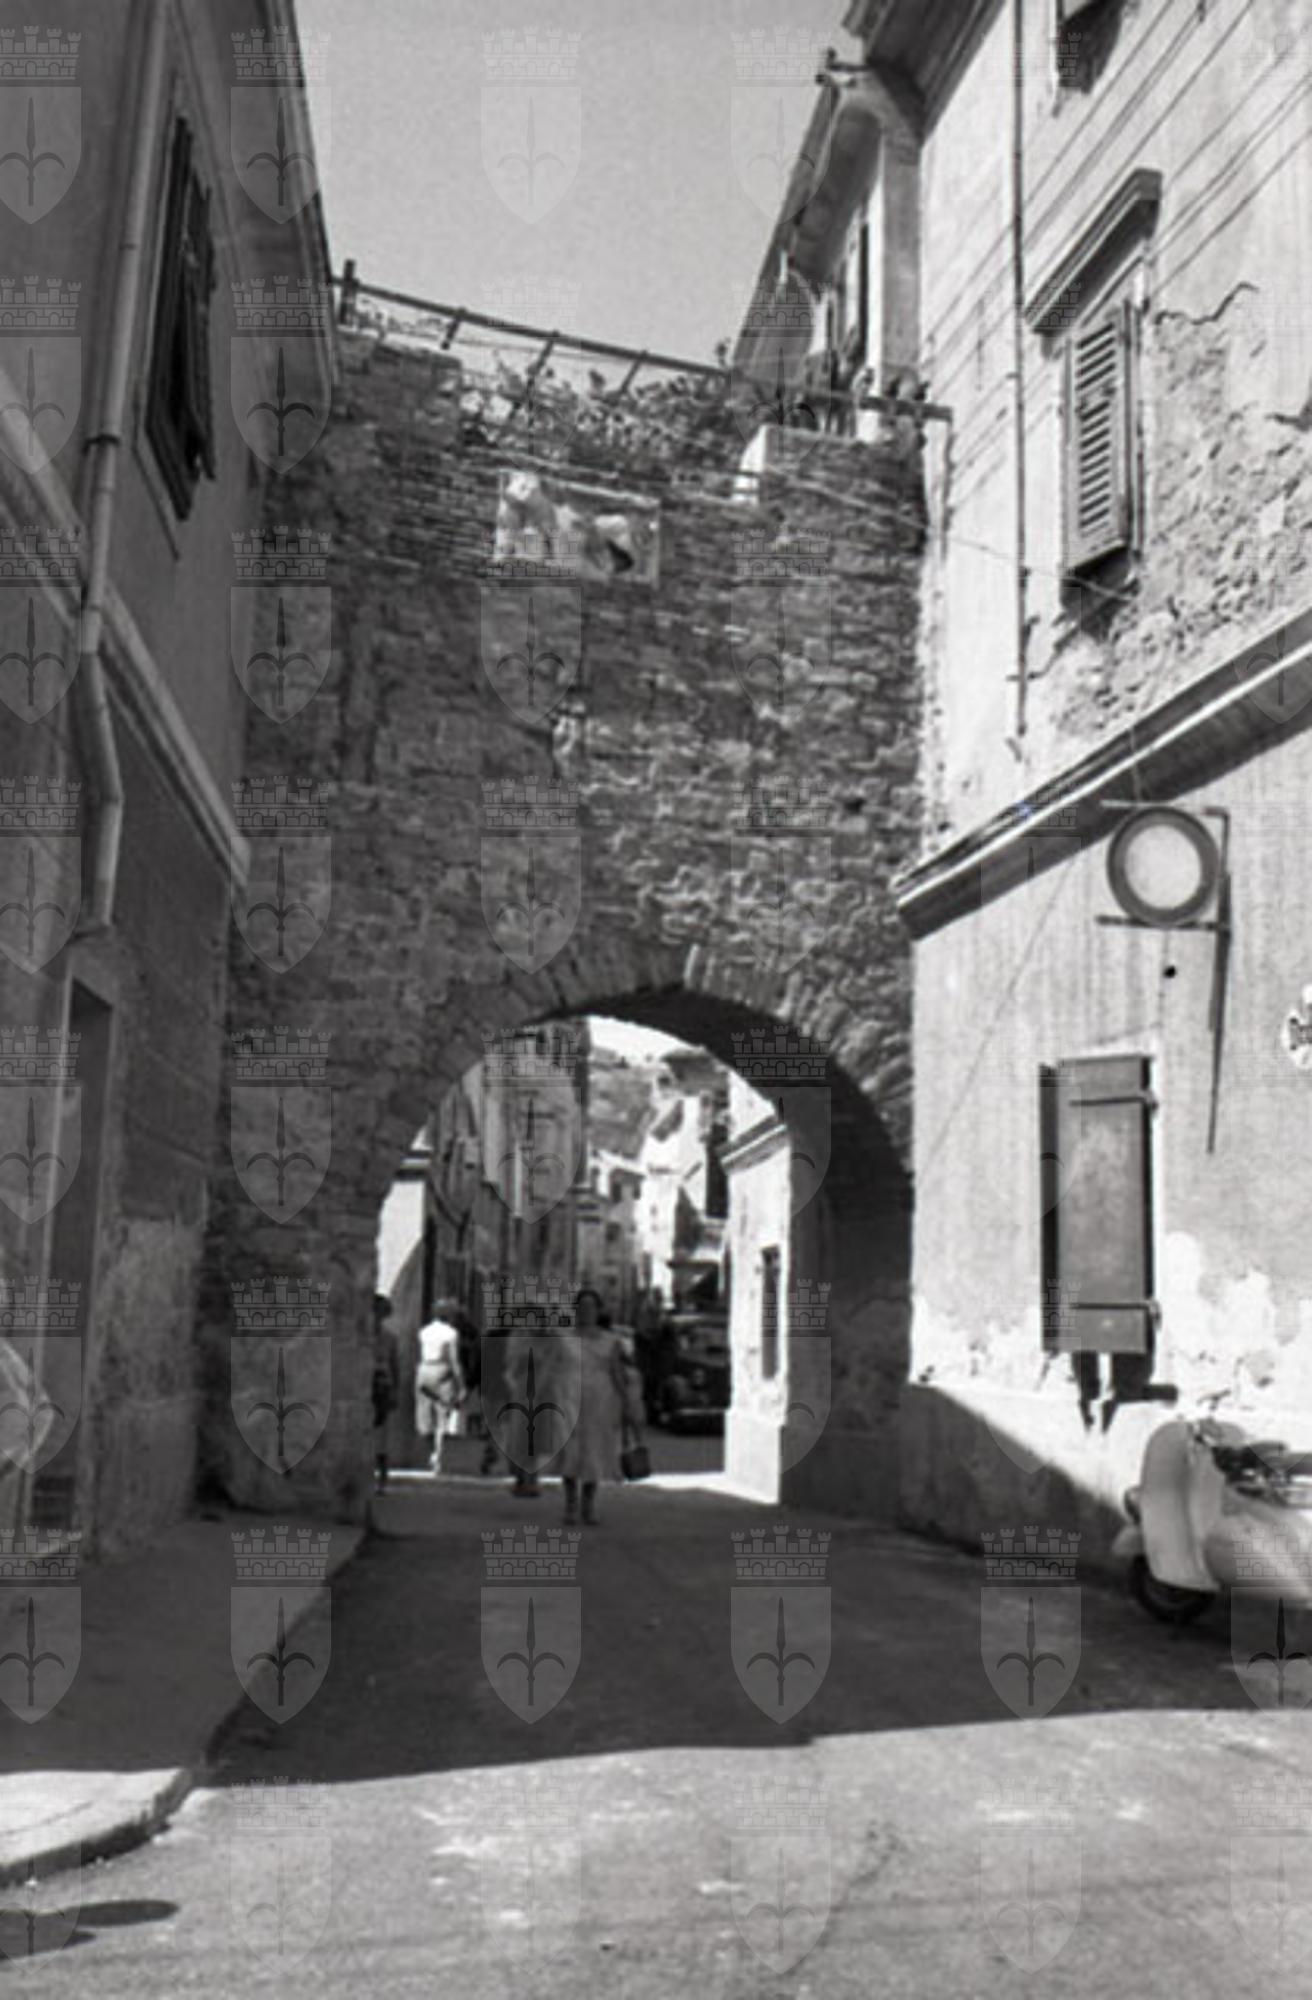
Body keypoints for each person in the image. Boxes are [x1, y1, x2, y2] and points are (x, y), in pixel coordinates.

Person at [556, 1286, 645, 1527]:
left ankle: (588, 1506)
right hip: (568, 1398)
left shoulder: (611, 1341)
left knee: (594, 1452)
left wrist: (627, 1403)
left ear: (598, 1310)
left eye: (591, 1307)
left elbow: (617, 1372)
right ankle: (570, 1505)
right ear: (576, 1310)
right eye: (582, 1307)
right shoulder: (563, 1339)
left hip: (600, 1402)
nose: (586, 1312)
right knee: (570, 1453)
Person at [415, 1301, 464, 1474]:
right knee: (442, 1415)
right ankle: (437, 1455)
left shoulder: (424, 1332)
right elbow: (454, 1360)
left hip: (424, 1370)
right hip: (442, 1371)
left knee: (425, 1414)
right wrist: (461, 1383)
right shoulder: (451, 1333)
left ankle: (429, 1452)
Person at [371, 1293, 400, 1493]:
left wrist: (395, 1390)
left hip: (381, 1385)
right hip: (369, 1383)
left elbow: (395, 1366)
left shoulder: (389, 1338)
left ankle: (381, 1479)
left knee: (381, 1435)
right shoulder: (361, 1337)